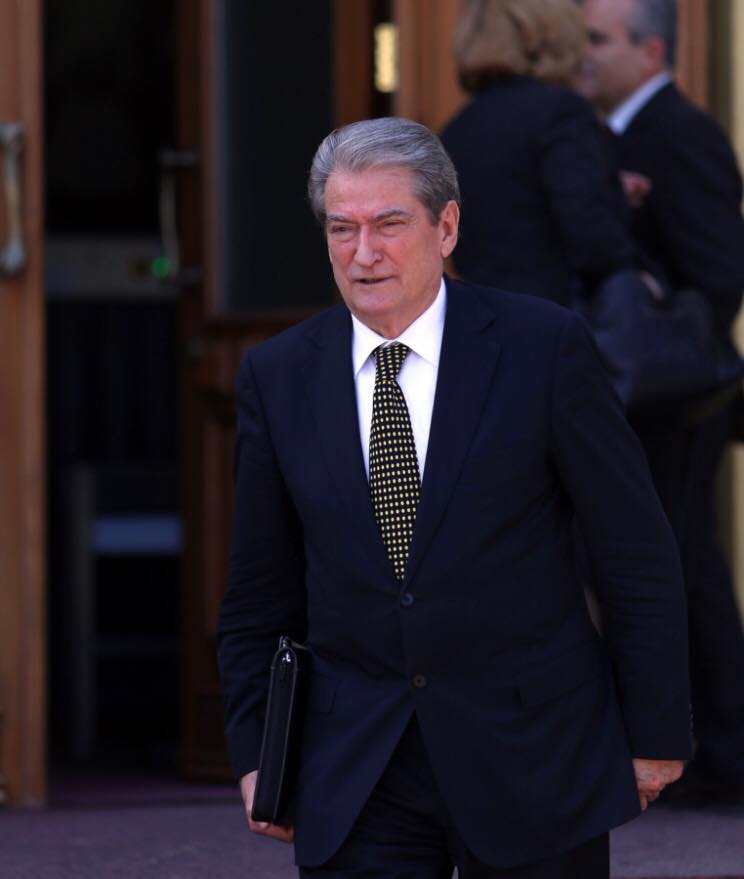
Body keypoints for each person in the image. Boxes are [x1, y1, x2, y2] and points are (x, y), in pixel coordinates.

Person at [217, 117, 690, 878]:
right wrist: (254, 755)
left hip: (533, 755)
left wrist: (656, 730)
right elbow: (256, 591)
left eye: (388, 224)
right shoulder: (278, 376)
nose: (363, 253)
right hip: (357, 767)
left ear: (446, 227)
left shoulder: (543, 347)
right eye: (341, 228)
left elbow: (633, 550)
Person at [579, 0, 744, 802]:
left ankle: (723, 753)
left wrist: (657, 339)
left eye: (597, 39)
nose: (582, 54)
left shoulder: (681, 134)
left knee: (678, 563)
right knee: (677, 560)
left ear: (650, 52)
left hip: (678, 396)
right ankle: (711, 749)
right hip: (647, 395)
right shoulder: (616, 135)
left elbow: (720, 275)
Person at [440, 0, 634, 307]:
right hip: (555, 315)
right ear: (551, 36)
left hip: (486, 315)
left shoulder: (459, 127)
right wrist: (643, 277)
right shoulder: (560, 113)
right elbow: (589, 230)